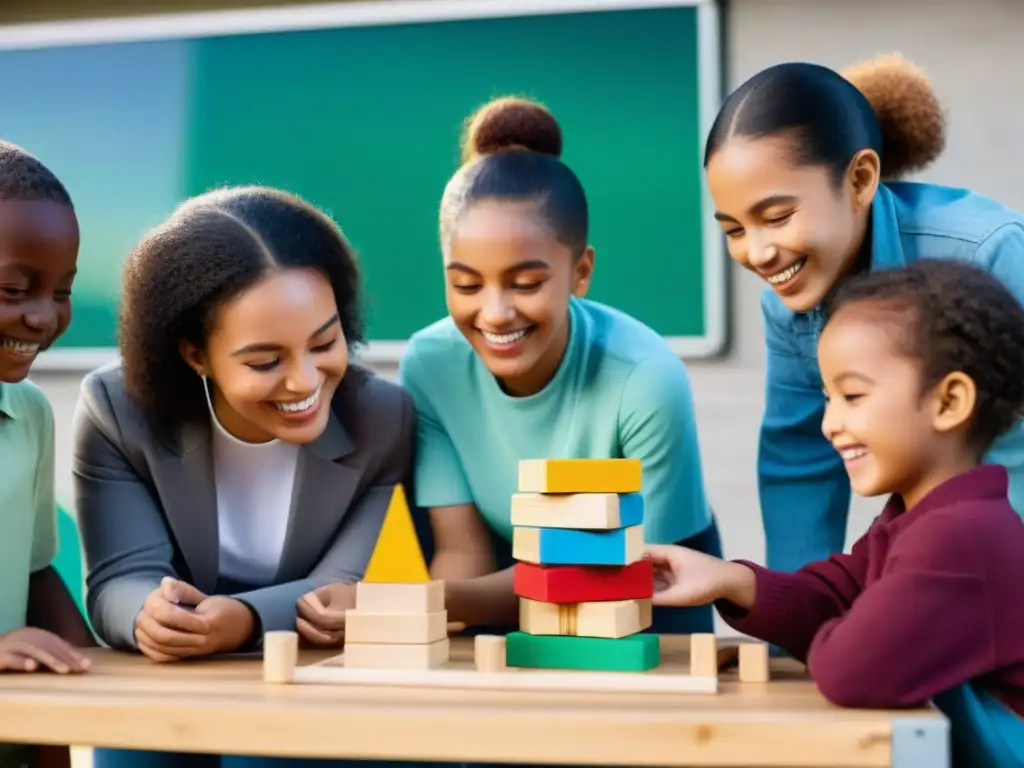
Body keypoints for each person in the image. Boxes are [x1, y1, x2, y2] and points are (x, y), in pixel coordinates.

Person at [73, 186, 418, 768]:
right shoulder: (117, 410)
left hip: (311, 677)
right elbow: (118, 577)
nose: (306, 381)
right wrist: (148, 615)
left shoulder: (383, 418)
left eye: (325, 342)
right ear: (194, 354)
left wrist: (245, 619)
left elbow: (346, 583)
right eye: (265, 361)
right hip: (170, 680)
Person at [645, 259, 1024, 767]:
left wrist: (849, 627)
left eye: (853, 396)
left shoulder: (960, 538)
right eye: (827, 398)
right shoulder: (921, 516)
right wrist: (731, 580)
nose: (830, 424)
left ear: (949, 401)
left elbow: (854, 670)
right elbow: (842, 593)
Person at [401, 96, 720, 633]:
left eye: (526, 284)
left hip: (652, 594)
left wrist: (419, 604)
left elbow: (635, 572)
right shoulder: (430, 366)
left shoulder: (645, 378)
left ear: (581, 272)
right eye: (465, 284)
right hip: (503, 590)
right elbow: (463, 552)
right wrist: (429, 610)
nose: (496, 313)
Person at [703, 52, 1024, 573]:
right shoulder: (788, 311)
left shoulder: (988, 252)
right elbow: (799, 460)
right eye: (735, 230)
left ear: (860, 180)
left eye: (778, 217)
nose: (758, 253)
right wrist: (797, 627)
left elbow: (1015, 447)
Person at [0, 140, 94, 768]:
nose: (43, 317)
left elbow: (33, 575)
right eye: (14, 289)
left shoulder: (27, 411)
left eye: (61, 291)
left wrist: (94, 666)